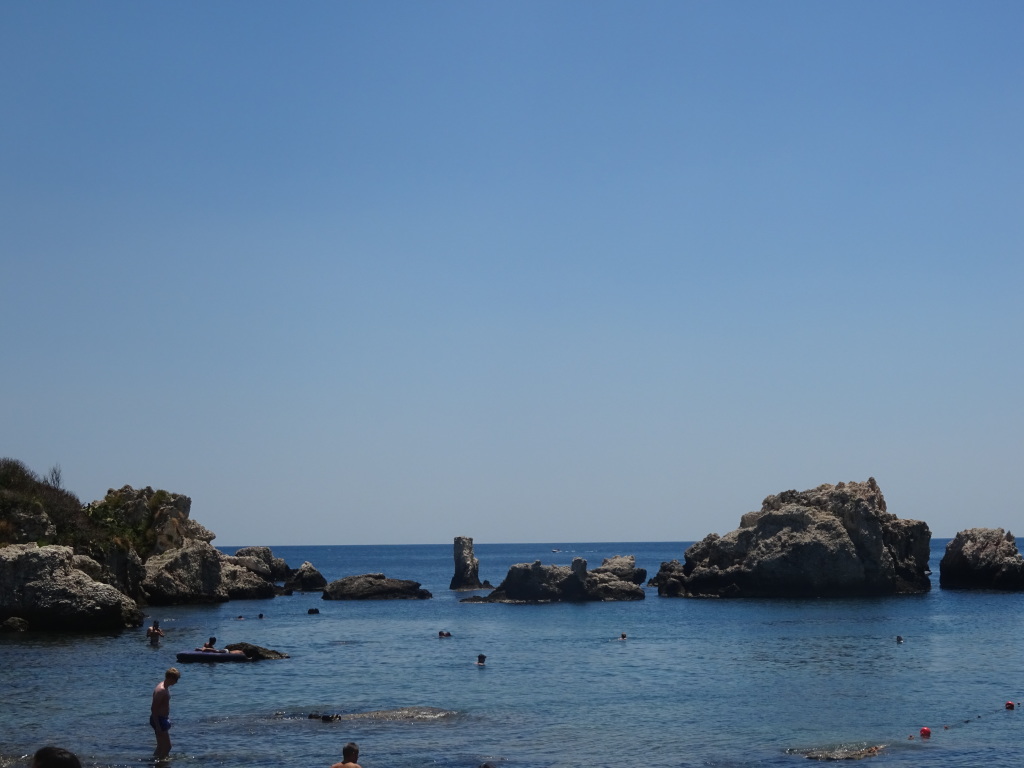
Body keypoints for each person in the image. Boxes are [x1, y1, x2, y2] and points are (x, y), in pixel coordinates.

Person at [150, 667, 180, 758]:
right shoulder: (161, 690)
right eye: (176, 679)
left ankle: (154, 762)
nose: (176, 682)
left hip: (162, 719)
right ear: (171, 678)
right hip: (159, 720)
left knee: (160, 747)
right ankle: (161, 764)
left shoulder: (165, 686)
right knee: (167, 747)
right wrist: (158, 725)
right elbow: (153, 709)